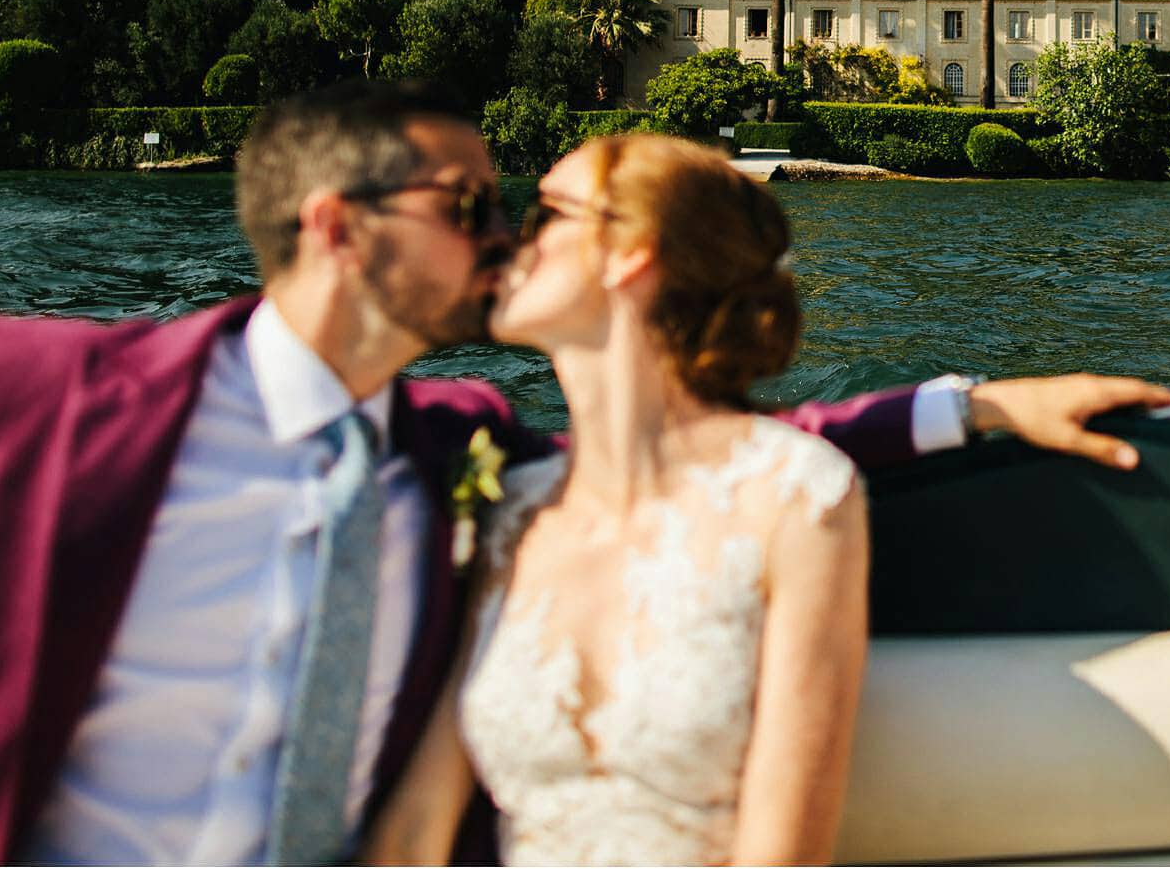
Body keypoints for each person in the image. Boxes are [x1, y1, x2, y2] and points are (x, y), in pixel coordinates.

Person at [0, 81, 1170, 866]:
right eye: (472, 210)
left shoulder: (462, 460)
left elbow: (706, 463)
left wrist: (969, 402)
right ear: (339, 229)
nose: (504, 241)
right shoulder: (39, 396)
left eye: (522, 210)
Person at [367, 134, 864, 864]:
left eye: (545, 214)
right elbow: (414, 833)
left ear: (630, 252)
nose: (508, 239)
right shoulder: (514, 514)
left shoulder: (796, 499)